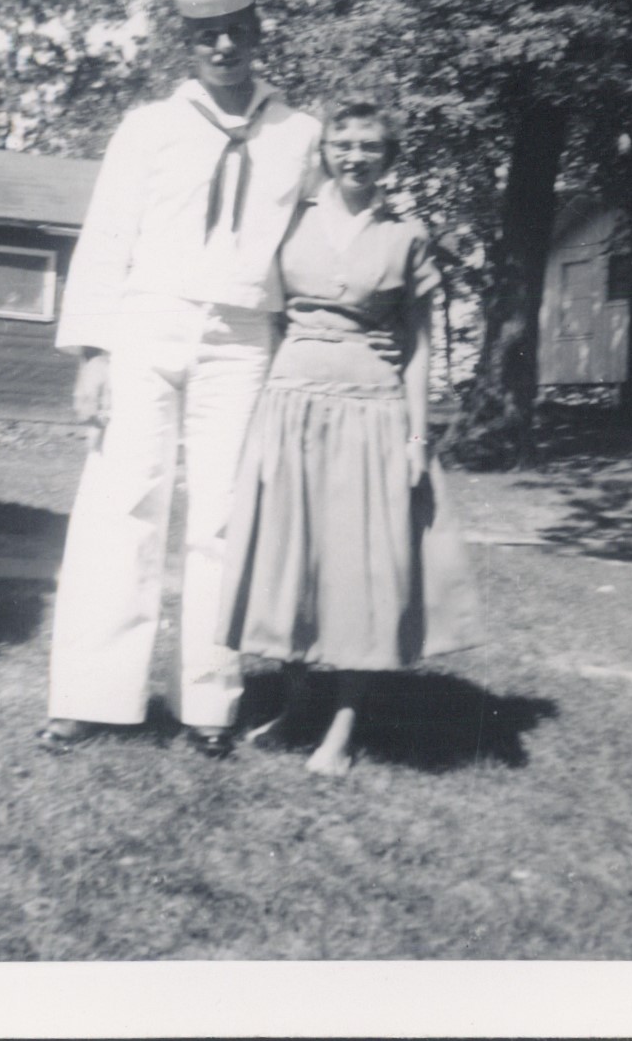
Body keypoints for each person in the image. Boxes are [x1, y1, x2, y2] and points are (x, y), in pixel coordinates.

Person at [38, 0, 321, 758]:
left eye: (236, 31)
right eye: (207, 36)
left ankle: (209, 704)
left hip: (244, 336)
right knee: (122, 501)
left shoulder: (300, 133)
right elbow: (107, 240)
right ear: (187, 45)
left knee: (224, 516)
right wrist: (94, 353)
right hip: (146, 325)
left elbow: (310, 248)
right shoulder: (148, 127)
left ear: (258, 33)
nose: (224, 47)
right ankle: (90, 695)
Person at [216, 96, 484, 776]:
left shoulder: (406, 235)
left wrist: (418, 439)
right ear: (326, 151)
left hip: (372, 413)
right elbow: (266, 317)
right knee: (291, 559)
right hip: (291, 407)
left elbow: (418, 346)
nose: (355, 156)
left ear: (389, 157)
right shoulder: (290, 221)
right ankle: (296, 706)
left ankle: (342, 727)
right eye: (343, 143)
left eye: (370, 145)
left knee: (358, 571)